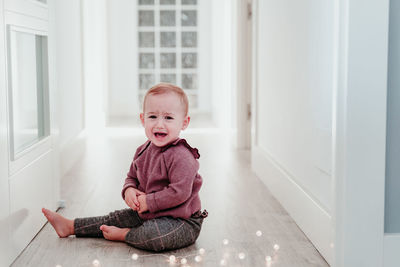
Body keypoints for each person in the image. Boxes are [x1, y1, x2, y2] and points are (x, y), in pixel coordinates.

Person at [42, 83, 207, 252]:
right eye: (152, 117)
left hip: (181, 221)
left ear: (184, 122)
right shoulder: (143, 150)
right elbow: (132, 178)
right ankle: (71, 226)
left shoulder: (182, 156)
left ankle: (125, 235)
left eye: (168, 118)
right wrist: (129, 190)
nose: (159, 124)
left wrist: (149, 201)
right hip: (148, 213)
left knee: (155, 236)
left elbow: (180, 192)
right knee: (116, 218)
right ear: (143, 119)